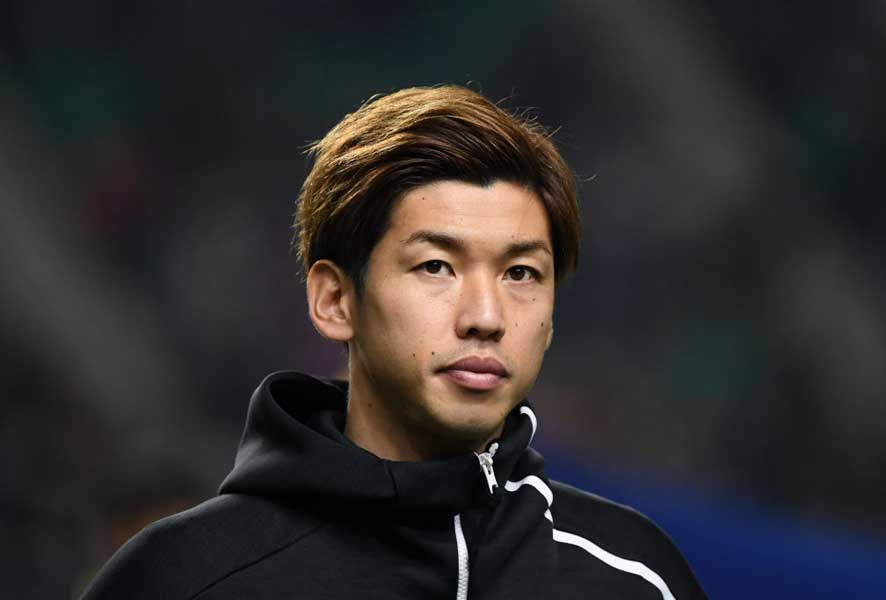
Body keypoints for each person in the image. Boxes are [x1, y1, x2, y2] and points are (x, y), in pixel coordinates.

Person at [82, 85, 706, 599]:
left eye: (521, 273)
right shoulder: (184, 579)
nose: (486, 316)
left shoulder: (636, 577)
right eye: (436, 266)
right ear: (334, 300)